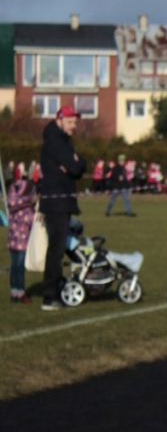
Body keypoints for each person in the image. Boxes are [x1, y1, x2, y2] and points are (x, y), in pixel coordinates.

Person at [38, 105, 86, 311]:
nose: (74, 126)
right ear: (60, 120)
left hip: (62, 202)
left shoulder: (63, 141)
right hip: (56, 203)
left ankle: (57, 289)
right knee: (56, 250)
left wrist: (76, 162)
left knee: (60, 248)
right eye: (70, 122)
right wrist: (74, 163)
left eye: (75, 122)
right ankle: (50, 296)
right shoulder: (55, 142)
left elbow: (79, 165)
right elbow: (75, 168)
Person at [7, 165, 36, 304]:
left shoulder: (13, 206)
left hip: (12, 239)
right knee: (19, 268)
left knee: (14, 267)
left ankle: (14, 292)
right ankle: (20, 292)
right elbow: (31, 224)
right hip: (23, 241)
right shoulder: (27, 210)